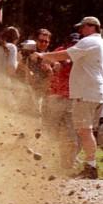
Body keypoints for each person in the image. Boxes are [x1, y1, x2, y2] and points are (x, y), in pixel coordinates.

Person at [34, 16, 103, 179]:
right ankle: (89, 166)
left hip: (86, 93)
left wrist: (42, 55)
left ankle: (90, 168)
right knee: (85, 131)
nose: (80, 31)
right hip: (95, 93)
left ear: (91, 27)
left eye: (82, 28)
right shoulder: (102, 44)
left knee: (84, 131)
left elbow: (65, 55)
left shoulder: (89, 42)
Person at [42, 33, 80, 171]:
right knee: (50, 130)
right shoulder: (60, 51)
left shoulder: (81, 53)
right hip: (55, 97)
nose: (73, 45)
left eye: (75, 43)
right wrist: (53, 64)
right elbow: (48, 60)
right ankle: (45, 162)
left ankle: (68, 165)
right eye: (71, 43)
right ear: (66, 43)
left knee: (70, 133)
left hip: (72, 98)